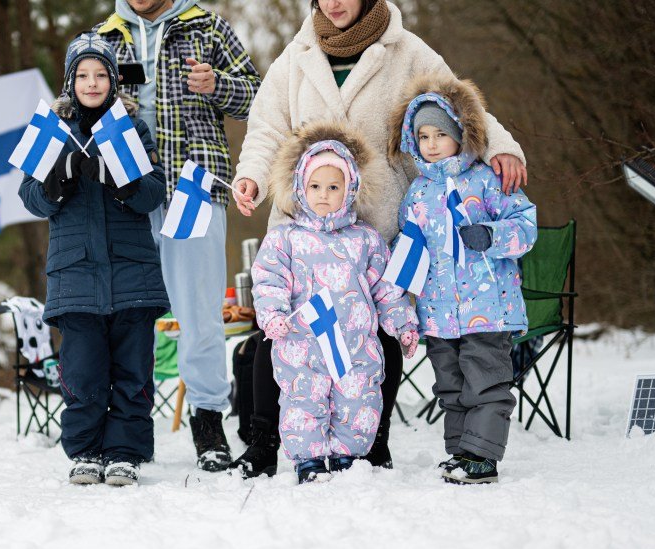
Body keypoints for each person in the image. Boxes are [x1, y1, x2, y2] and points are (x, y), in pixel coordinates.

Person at [228, 0, 528, 476]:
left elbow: (455, 105)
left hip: (381, 219)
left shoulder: (406, 51)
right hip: (304, 224)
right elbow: (266, 130)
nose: (335, 3)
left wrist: (502, 147)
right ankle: (265, 442)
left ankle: (372, 440)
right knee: (280, 332)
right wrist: (253, 178)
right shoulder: (297, 55)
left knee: (377, 332)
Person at [95, 0, 262, 471]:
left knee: (200, 311)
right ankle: (124, 427)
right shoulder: (104, 38)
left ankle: (207, 419)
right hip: (125, 193)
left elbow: (257, 97)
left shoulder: (207, 25)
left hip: (193, 188)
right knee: (124, 313)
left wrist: (217, 85)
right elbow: (79, 106)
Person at [19, 33, 168, 486]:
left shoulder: (132, 128)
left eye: (101, 74)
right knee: (82, 373)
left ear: (113, 80)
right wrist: (57, 180)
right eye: (82, 75)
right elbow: (30, 197)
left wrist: (119, 180)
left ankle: (124, 452)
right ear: (70, 81)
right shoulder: (52, 132)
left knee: (132, 372)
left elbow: (153, 193)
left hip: (132, 275)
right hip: (76, 277)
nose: (92, 82)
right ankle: (85, 450)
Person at [389, 74, 538, 484]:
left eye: (441, 133)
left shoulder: (486, 179)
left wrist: (492, 236)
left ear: (461, 133)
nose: (432, 143)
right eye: (423, 136)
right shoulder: (416, 194)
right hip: (438, 313)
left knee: (485, 381)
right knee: (451, 387)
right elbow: (408, 248)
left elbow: (525, 225)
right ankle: (461, 452)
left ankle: (482, 456)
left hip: (487, 308)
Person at [250, 120, 418, 483]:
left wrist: (403, 325)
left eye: (333, 186)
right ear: (300, 188)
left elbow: (386, 289)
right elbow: (268, 281)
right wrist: (274, 314)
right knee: (303, 403)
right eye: (315, 186)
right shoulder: (285, 239)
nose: (323, 194)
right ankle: (308, 461)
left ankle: (347, 457)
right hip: (302, 345)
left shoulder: (366, 240)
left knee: (358, 402)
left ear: (350, 189)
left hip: (354, 347)